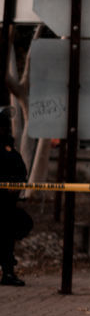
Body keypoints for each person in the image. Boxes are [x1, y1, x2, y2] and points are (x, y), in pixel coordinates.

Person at [0, 108, 31, 287]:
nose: (6, 130)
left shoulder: (10, 148)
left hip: (8, 204)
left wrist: (16, 185)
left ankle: (8, 272)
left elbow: (21, 170)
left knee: (9, 236)